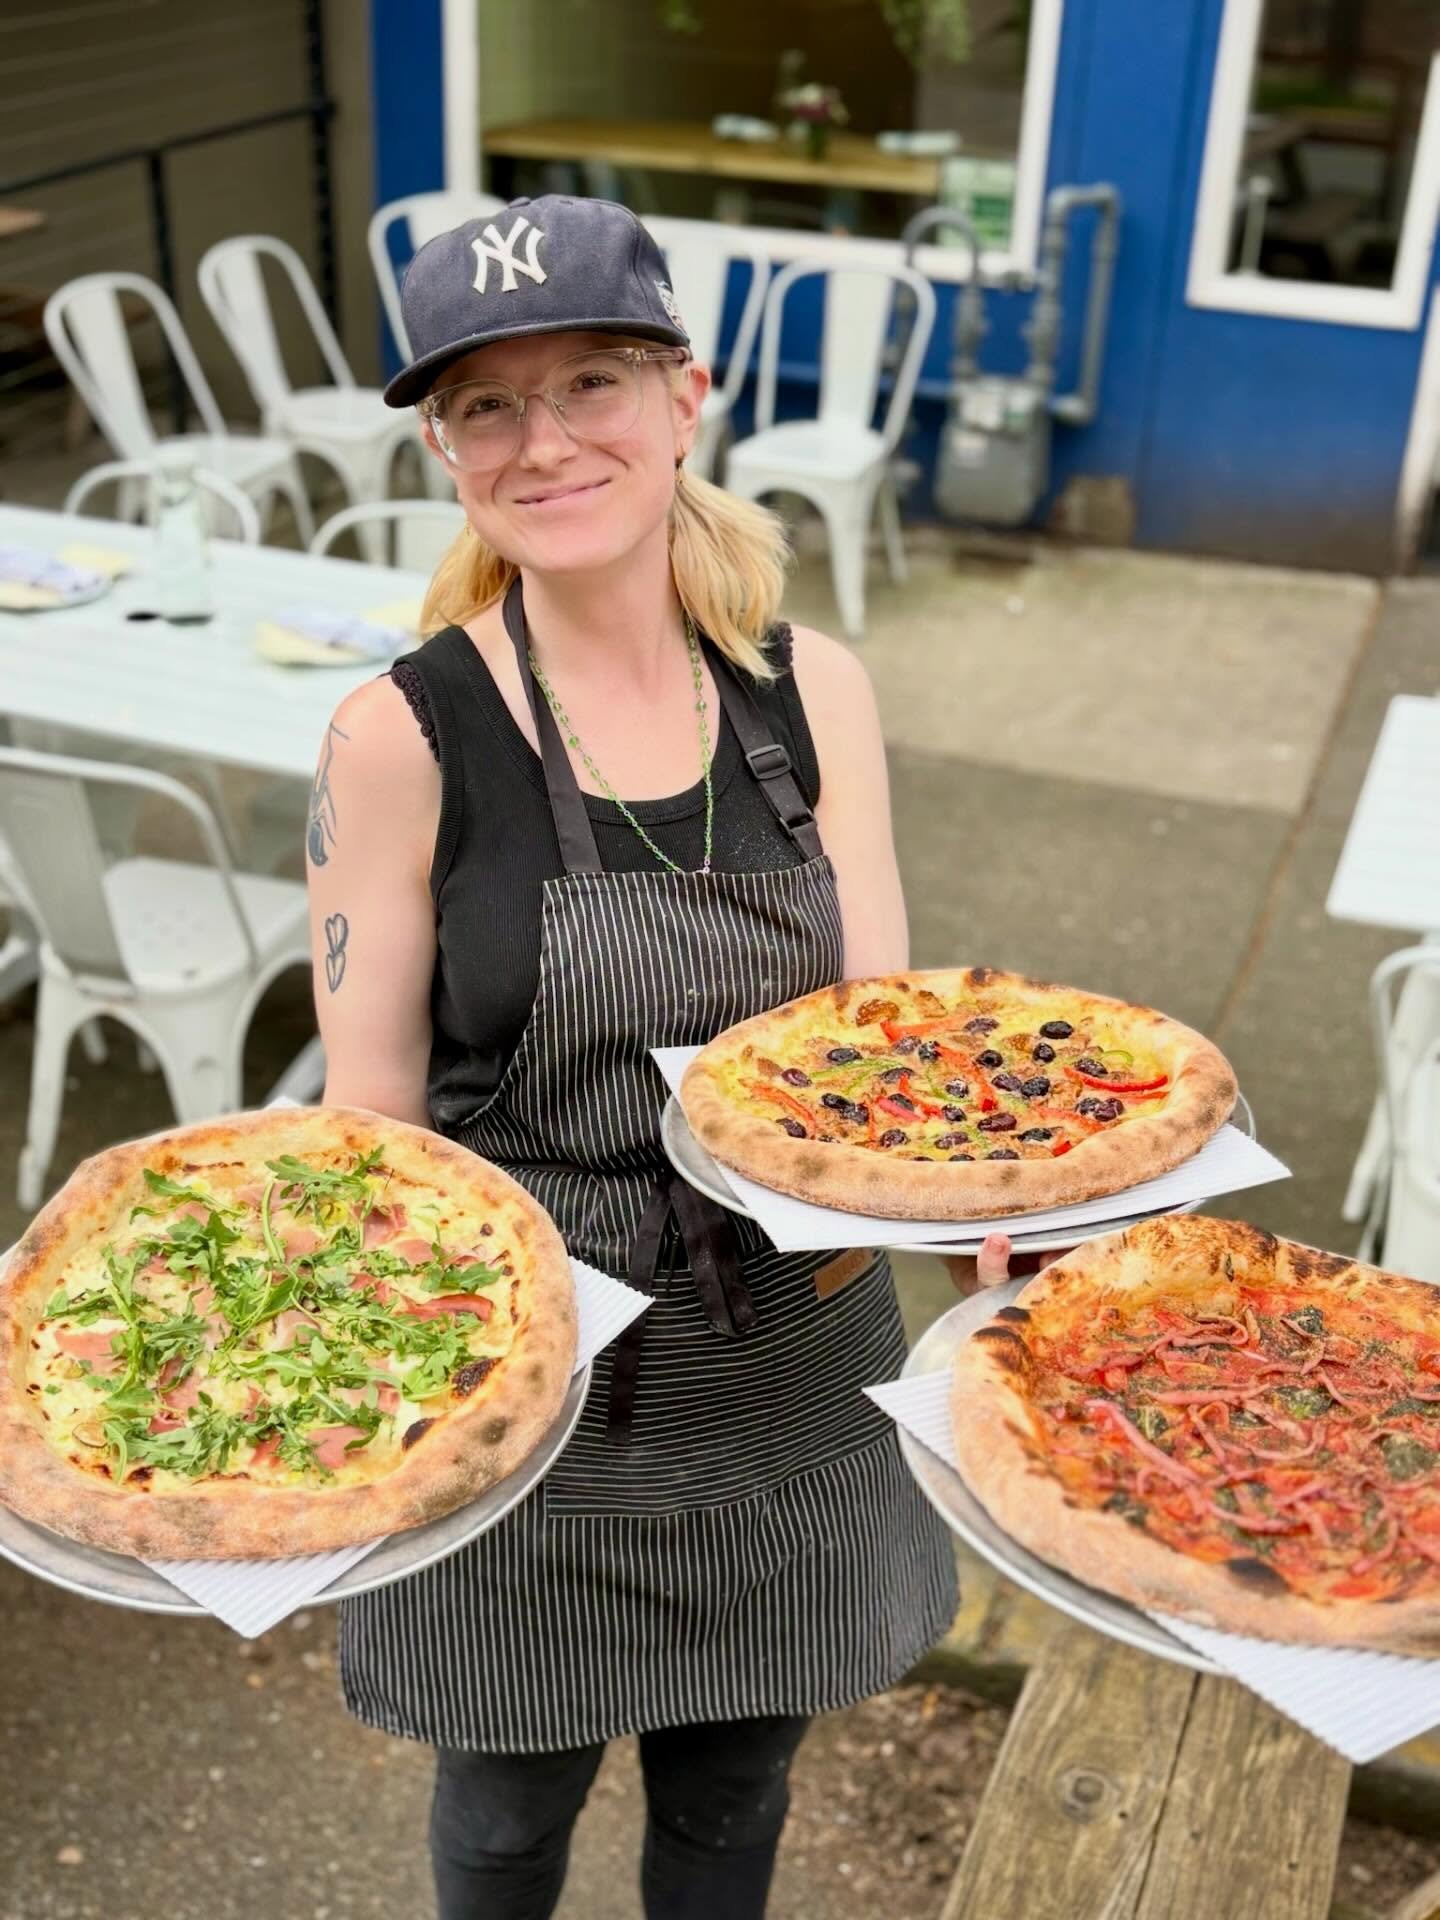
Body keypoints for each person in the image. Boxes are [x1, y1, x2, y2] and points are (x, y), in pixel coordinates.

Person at [306, 193, 1019, 1920]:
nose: (543, 441)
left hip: (794, 1346)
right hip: (534, 1374)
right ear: (443, 443)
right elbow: (370, 1130)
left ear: (686, 394)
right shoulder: (399, 735)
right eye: (487, 402)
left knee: (736, 1785)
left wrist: (999, 1217)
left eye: (594, 382)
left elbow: (885, 1049)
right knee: (504, 1804)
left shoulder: (813, 689)